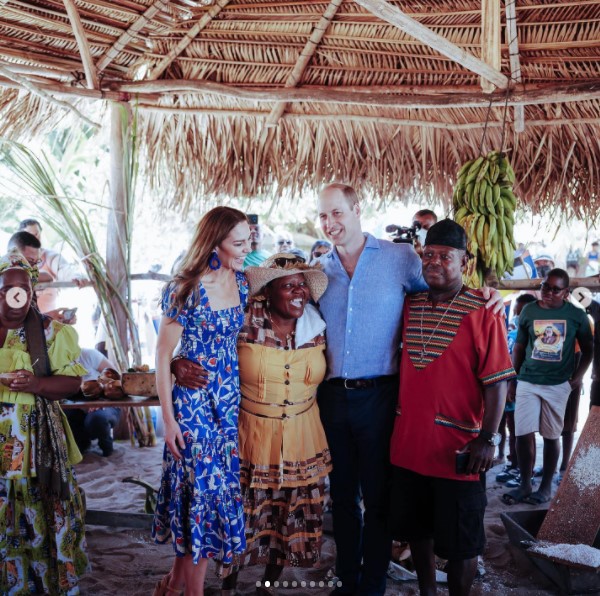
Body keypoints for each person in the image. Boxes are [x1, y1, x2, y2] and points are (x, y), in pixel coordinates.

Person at [315, 183, 504, 595]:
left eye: (338, 212)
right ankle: (349, 582)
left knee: (380, 498)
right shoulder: (317, 270)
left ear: (356, 209)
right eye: (323, 215)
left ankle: (373, 585)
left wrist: (488, 295)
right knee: (343, 498)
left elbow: (445, 289)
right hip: (331, 398)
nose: (331, 222)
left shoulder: (400, 259)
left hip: (381, 397)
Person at [174, 253, 332, 593]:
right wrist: (176, 362)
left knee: (286, 520)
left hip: (304, 438)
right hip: (250, 438)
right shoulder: (244, 321)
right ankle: (228, 586)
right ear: (268, 292)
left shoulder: (317, 326)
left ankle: (266, 587)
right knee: (241, 517)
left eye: (302, 284)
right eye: (288, 285)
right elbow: (194, 340)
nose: (298, 291)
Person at [389, 219, 515, 596]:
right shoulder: (409, 304)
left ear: (466, 263)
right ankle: (427, 591)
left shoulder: (483, 311)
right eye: (428, 254)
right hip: (408, 445)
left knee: (462, 543)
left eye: (445, 256)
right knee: (418, 531)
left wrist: (487, 439)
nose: (434, 262)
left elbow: (498, 382)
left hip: (458, 450)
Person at [152, 207, 251, 596]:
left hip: (227, 403)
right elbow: (162, 354)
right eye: (238, 243)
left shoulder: (242, 282)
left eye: (249, 240)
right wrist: (169, 421)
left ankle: (172, 586)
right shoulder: (186, 288)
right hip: (192, 404)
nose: (247, 248)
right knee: (203, 495)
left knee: (204, 495)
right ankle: (192, 592)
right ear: (215, 242)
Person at [0, 249, 88, 594]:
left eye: (23, 289)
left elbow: (73, 383)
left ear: (33, 293)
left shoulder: (52, 333)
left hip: (37, 442)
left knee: (40, 507)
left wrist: (36, 384)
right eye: (8, 288)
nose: (16, 296)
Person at [503, 269, 593, 506]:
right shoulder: (529, 311)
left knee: (552, 435)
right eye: (545, 286)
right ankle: (524, 485)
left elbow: (588, 349)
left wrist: (577, 378)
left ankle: (545, 488)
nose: (548, 292)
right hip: (527, 380)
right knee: (522, 433)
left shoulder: (576, 315)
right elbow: (519, 347)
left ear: (566, 292)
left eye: (555, 289)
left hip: (557, 384)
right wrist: (513, 378)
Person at [496, 294, 537, 480]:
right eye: (516, 312)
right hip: (511, 388)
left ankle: (525, 470)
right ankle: (513, 464)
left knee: (525, 432)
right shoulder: (512, 334)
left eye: (521, 313)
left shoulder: (537, 337)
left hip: (527, 388)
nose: (517, 316)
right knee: (512, 428)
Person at [17, 218, 84, 314]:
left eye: (36, 234)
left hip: (48, 323)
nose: (34, 239)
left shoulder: (49, 257)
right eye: (29, 236)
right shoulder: (13, 263)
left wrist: (76, 277)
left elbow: (65, 270)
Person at [64, 348, 122, 456]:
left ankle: (106, 445)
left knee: (97, 418)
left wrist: (100, 402)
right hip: (77, 407)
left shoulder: (87, 354)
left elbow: (117, 382)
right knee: (66, 414)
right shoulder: (55, 362)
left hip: (105, 403)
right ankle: (83, 443)